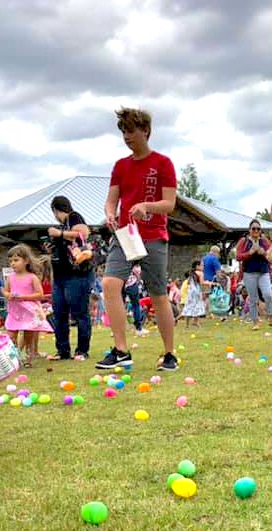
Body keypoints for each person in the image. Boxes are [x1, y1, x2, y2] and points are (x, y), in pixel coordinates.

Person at [98, 107, 178, 371]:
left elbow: (169, 203)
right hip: (124, 235)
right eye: (123, 132)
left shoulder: (163, 163)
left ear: (146, 131)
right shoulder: (120, 166)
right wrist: (110, 215)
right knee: (110, 284)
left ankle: (169, 354)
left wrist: (147, 206)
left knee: (158, 295)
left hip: (153, 235)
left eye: (131, 131)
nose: (127, 137)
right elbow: (111, 201)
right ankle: (121, 350)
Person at [45, 195, 94, 361]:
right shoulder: (63, 225)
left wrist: (59, 233)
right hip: (60, 275)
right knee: (59, 314)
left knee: (80, 313)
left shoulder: (74, 217)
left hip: (77, 274)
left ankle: (82, 350)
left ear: (56, 210)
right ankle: (63, 350)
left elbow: (83, 234)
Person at [2, 244, 52, 368]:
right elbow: (6, 290)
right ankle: (13, 357)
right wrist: (8, 295)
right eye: (11, 261)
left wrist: (23, 297)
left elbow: (40, 295)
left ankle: (28, 358)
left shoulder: (32, 277)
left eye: (16, 260)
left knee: (28, 336)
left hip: (29, 311)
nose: (13, 264)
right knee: (10, 335)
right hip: (15, 311)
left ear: (26, 261)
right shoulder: (10, 278)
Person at [235, 220, 272, 330]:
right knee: (253, 298)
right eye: (253, 228)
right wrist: (249, 253)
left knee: (268, 295)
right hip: (249, 273)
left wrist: (263, 252)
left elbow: (271, 256)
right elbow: (238, 257)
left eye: (258, 229)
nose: (256, 231)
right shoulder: (243, 241)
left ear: (260, 230)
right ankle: (255, 322)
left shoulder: (264, 241)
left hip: (263, 272)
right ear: (249, 230)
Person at [180, 260, 206, 328]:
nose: (203, 267)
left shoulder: (191, 273)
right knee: (197, 305)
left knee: (189, 306)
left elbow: (188, 282)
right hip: (197, 291)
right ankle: (196, 322)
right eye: (202, 265)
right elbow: (202, 282)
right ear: (197, 266)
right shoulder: (200, 273)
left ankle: (187, 324)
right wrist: (210, 283)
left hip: (191, 291)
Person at [124, 264, 148, 337]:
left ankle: (116, 329)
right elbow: (137, 270)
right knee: (136, 305)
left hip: (120, 282)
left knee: (120, 306)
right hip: (131, 283)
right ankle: (138, 328)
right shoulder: (133, 259)